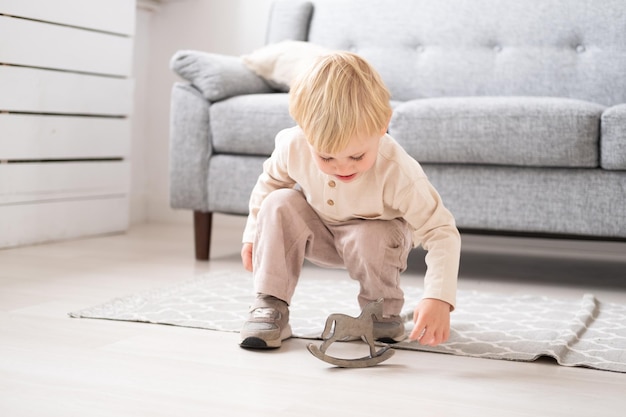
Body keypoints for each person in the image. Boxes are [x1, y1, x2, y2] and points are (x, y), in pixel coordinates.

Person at [239, 51, 461, 350]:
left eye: (357, 156)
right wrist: (254, 234)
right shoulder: (293, 144)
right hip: (319, 232)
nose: (343, 168)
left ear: (383, 124)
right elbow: (270, 183)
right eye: (326, 157)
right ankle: (270, 305)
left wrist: (438, 297)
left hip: (376, 241)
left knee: (373, 234)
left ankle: (380, 313)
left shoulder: (399, 172)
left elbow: (441, 232)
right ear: (305, 131)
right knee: (278, 201)